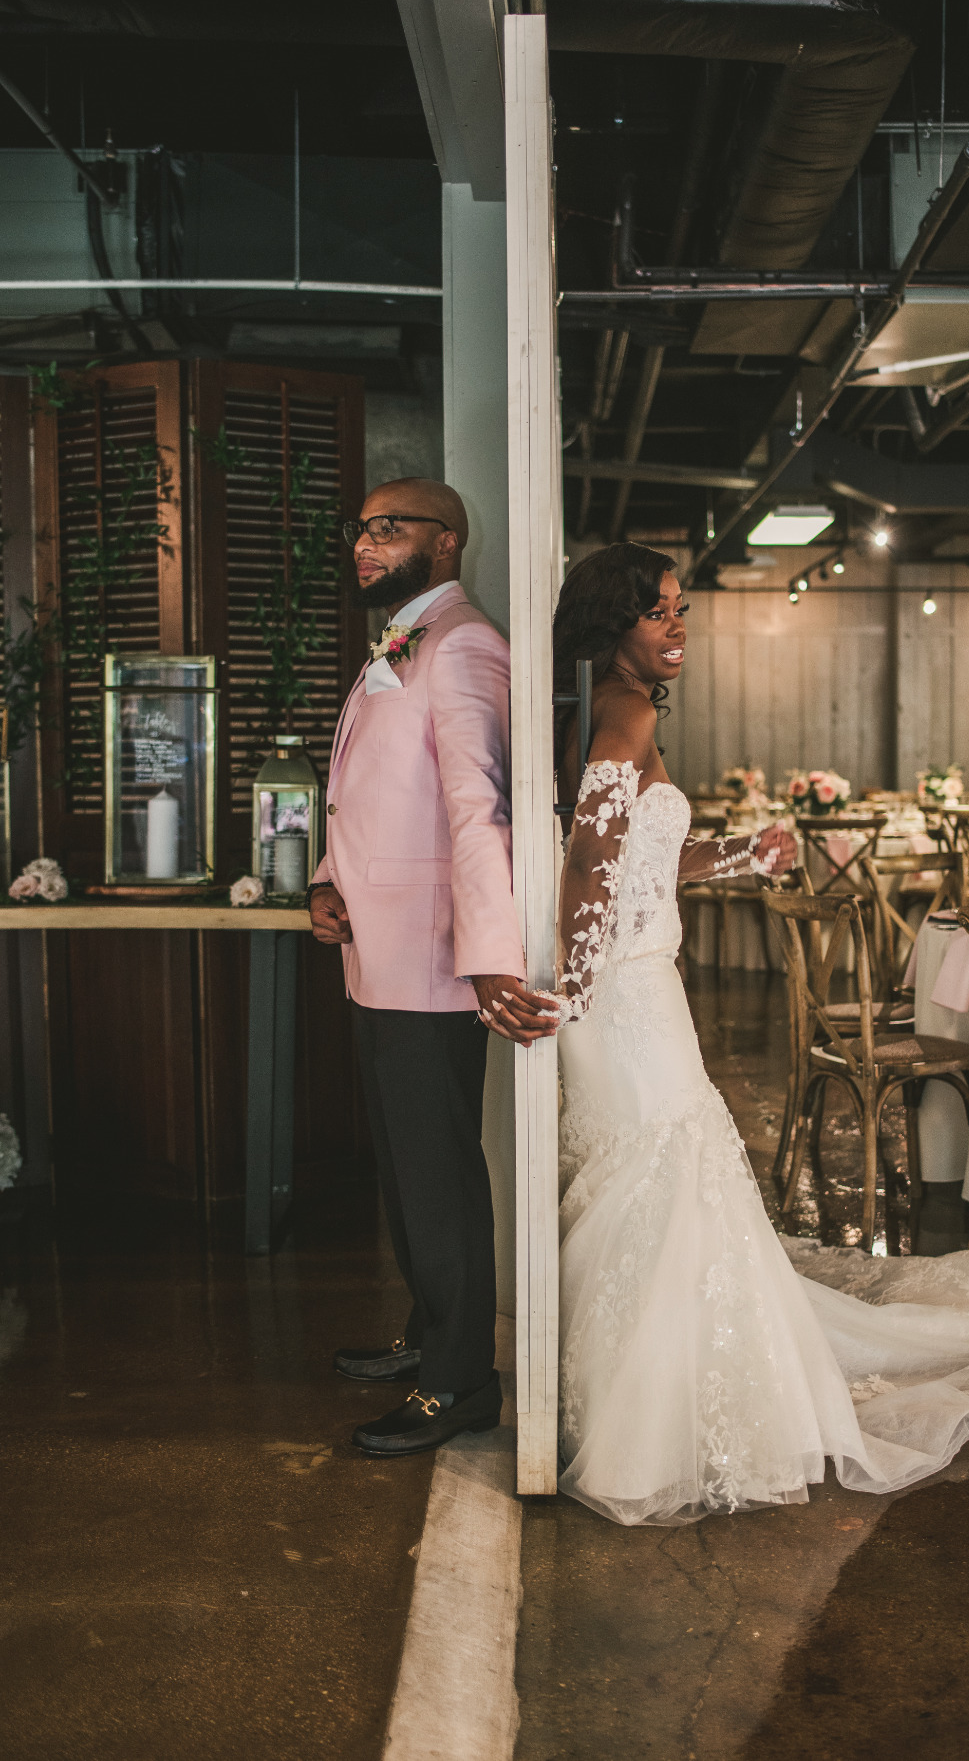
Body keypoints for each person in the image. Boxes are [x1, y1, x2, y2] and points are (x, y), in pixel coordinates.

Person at [549, 542, 969, 1526]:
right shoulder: (625, 715)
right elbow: (593, 868)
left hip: (630, 987)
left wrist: (738, 853)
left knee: (668, 1177)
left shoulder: (605, 713)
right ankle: (659, 1410)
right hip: (620, 995)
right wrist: (567, 986)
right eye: (659, 613)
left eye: (682, 610)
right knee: (657, 1176)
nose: (677, 628)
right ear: (614, 624)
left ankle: (664, 1389)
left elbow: (647, 861)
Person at [309, 477, 555, 1459]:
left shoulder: (463, 647)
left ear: (445, 541)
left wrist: (494, 953)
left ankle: (459, 1384)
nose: (365, 545)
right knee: (408, 1171)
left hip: (434, 962)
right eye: (360, 529)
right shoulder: (402, 640)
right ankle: (427, 1333)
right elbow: (367, 795)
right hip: (379, 947)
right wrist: (330, 879)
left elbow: (475, 807)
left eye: (389, 528)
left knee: (439, 1174)